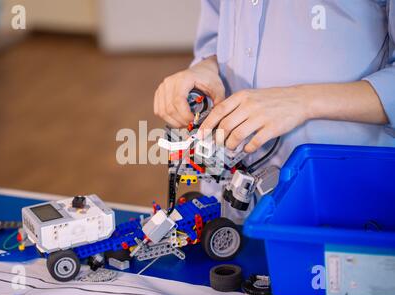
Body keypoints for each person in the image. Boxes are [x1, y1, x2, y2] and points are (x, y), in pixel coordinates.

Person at [153, 1, 395, 221]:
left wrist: (302, 101)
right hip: (227, 207)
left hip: (341, 203)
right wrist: (207, 67)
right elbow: (218, 32)